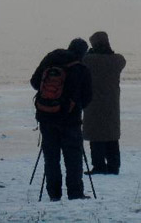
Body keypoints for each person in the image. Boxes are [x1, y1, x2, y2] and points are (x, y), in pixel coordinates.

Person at [30, 38, 92, 201]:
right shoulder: (81, 68)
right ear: (83, 53)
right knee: (73, 158)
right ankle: (75, 193)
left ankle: (54, 194)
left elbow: (35, 83)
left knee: (51, 158)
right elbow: (87, 98)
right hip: (70, 121)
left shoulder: (51, 59)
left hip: (46, 117)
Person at [82, 31, 126, 175]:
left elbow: (83, 60)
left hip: (93, 103)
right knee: (111, 136)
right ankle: (114, 166)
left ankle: (99, 166)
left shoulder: (89, 60)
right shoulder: (117, 60)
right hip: (112, 103)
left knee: (96, 137)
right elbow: (121, 59)